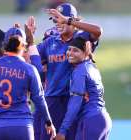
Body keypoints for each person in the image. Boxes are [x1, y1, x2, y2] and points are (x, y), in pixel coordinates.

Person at [27, 2, 102, 140]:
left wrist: (68, 20)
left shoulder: (81, 38)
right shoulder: (50, 41)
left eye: (62, 20)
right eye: (55, 20)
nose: (58, 23)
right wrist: (29, 41)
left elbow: (98, 31)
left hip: (74, 101)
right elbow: (30, 60)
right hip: (52, 100)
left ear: (72, 20)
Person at [0, 27, 56, 140]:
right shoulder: (29, 69)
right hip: (22, 125)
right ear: (24, 47)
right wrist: (48, 122)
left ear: (4, 45)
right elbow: (39, 98)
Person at [55, 37, 112, 140]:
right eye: (69, 49)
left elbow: (75, 102)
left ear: (85, 53)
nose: (70, 53)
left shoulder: (80, 71)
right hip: (103, 119)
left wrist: (62, 131)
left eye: (75, 50)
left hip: (91, 120)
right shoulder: (91, 67)